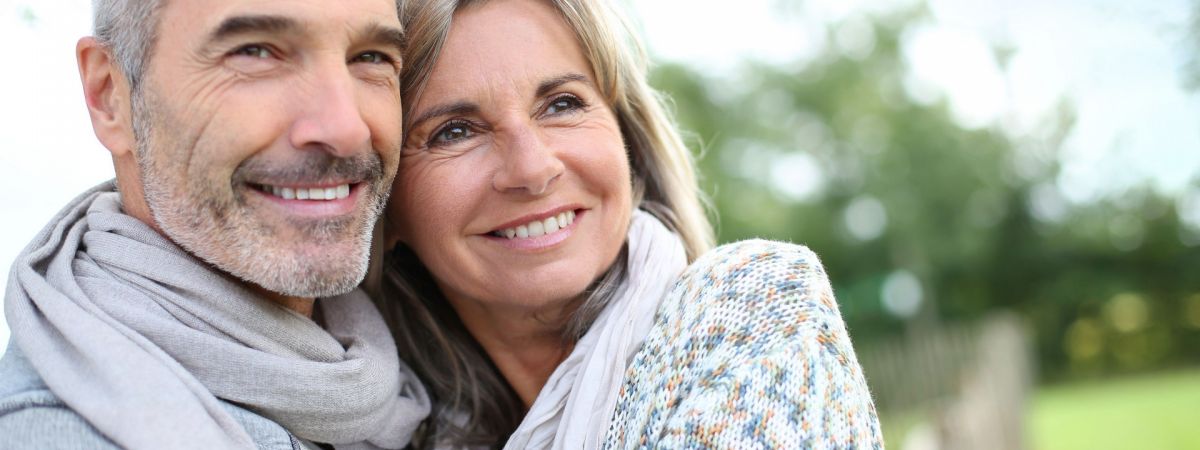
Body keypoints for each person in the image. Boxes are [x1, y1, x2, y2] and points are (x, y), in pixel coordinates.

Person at [375, 0, 885, 448]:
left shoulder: (753, 310)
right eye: (454, 131)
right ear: (384, 207)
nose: (532, 169)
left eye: (562, 104)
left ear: (628, 142)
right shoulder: (386, 428)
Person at [0, 0, 429, 448]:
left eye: (371, 57)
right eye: (255, 52)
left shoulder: (417, 368)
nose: (346, 129)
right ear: (109, 95)